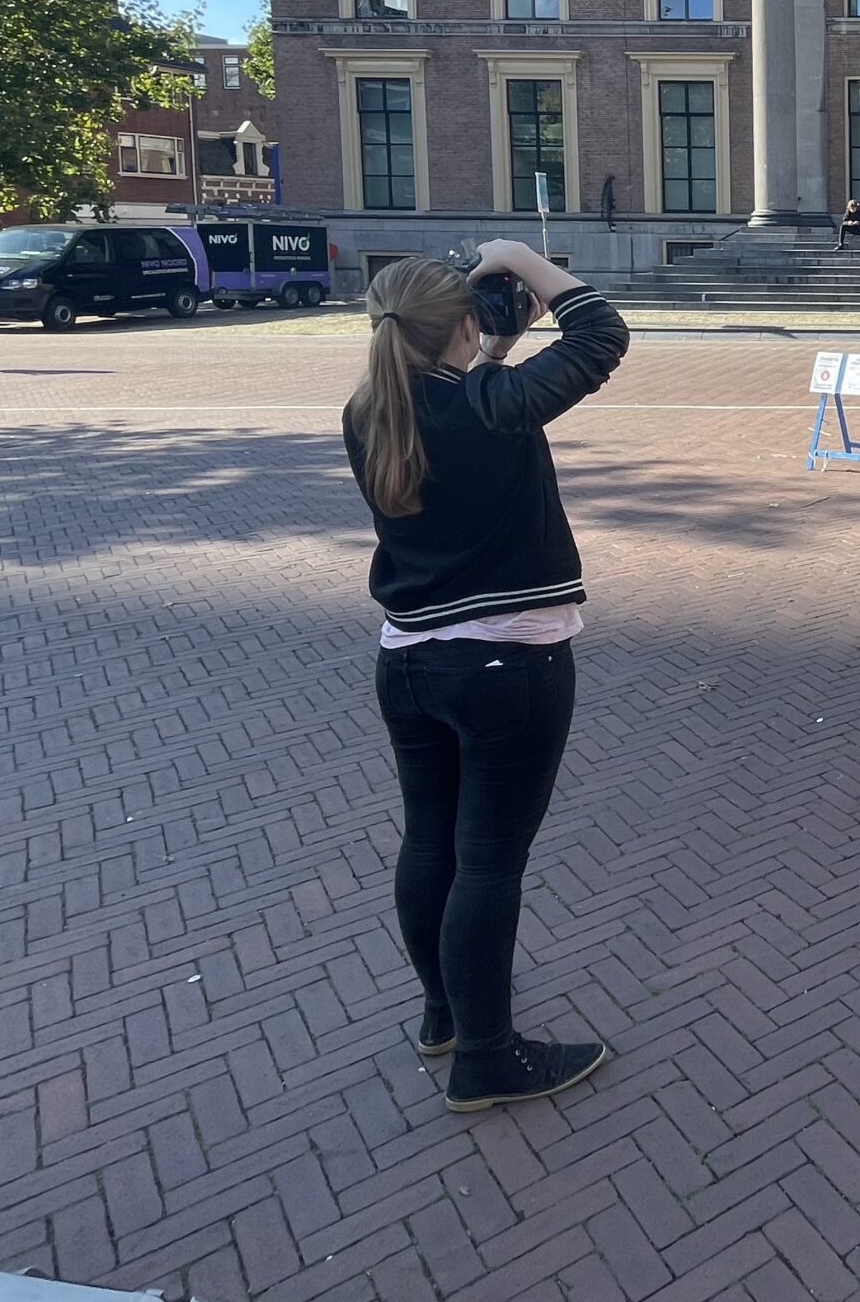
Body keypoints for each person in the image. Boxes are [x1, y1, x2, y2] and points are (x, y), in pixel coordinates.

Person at [343, 240, 630, 1112]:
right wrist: (518, 257)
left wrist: (490, 344)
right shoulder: (488, 404)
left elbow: (469, 401)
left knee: (430, 840)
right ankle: (488, 1057)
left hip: (409, 661)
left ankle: (444, 1014)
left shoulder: (369, 409)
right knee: (491, 862)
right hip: (508, 661)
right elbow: (602, 335)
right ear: (462, 324)